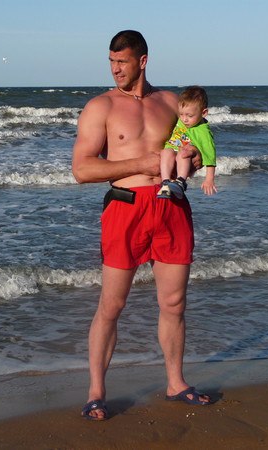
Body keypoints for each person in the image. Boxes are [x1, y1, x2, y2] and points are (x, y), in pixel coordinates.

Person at [72, 30, 211, 421]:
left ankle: (176, 383)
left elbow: (195, 144)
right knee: (111, 304)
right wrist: (140, 164)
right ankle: (96, 392)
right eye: (111, 62)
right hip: (126, 208)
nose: (116, 69)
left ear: (143, 61)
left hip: (171, 208)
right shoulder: (100, 107)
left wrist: (195, 159)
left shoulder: (170, 102)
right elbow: (82, 169)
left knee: (174, 302)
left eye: (123, 61)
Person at [157, 86, 218, 199]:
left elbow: (210, 156)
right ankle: (165, 182)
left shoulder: (203, 132)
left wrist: (209, 179)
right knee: (165, 152)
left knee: (184, 153)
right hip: (172, 151)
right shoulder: (183, 120)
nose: (184, 119)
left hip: (185, 157)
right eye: (181, 114)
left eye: (189, 116)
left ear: (204, 113)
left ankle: (180, 182)